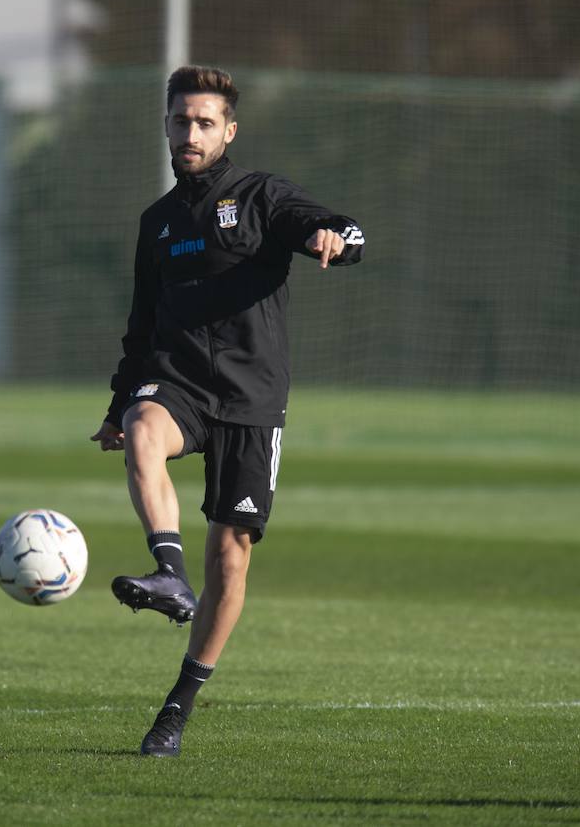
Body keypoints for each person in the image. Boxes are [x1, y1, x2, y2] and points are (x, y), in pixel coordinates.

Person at [90, 65, 365, 757]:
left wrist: (339, 238)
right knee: (142, 433)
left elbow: (327, 224)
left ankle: (177, 707)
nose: (191, 132)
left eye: (205, 122)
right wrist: (121, 401)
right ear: (166, 126)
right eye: (181, 120)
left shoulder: (259, 196)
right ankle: (168, 572)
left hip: (251, 397)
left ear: (228, 130)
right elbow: (141, 325)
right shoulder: (157, 224)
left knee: (232, 558)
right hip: (179, 384)